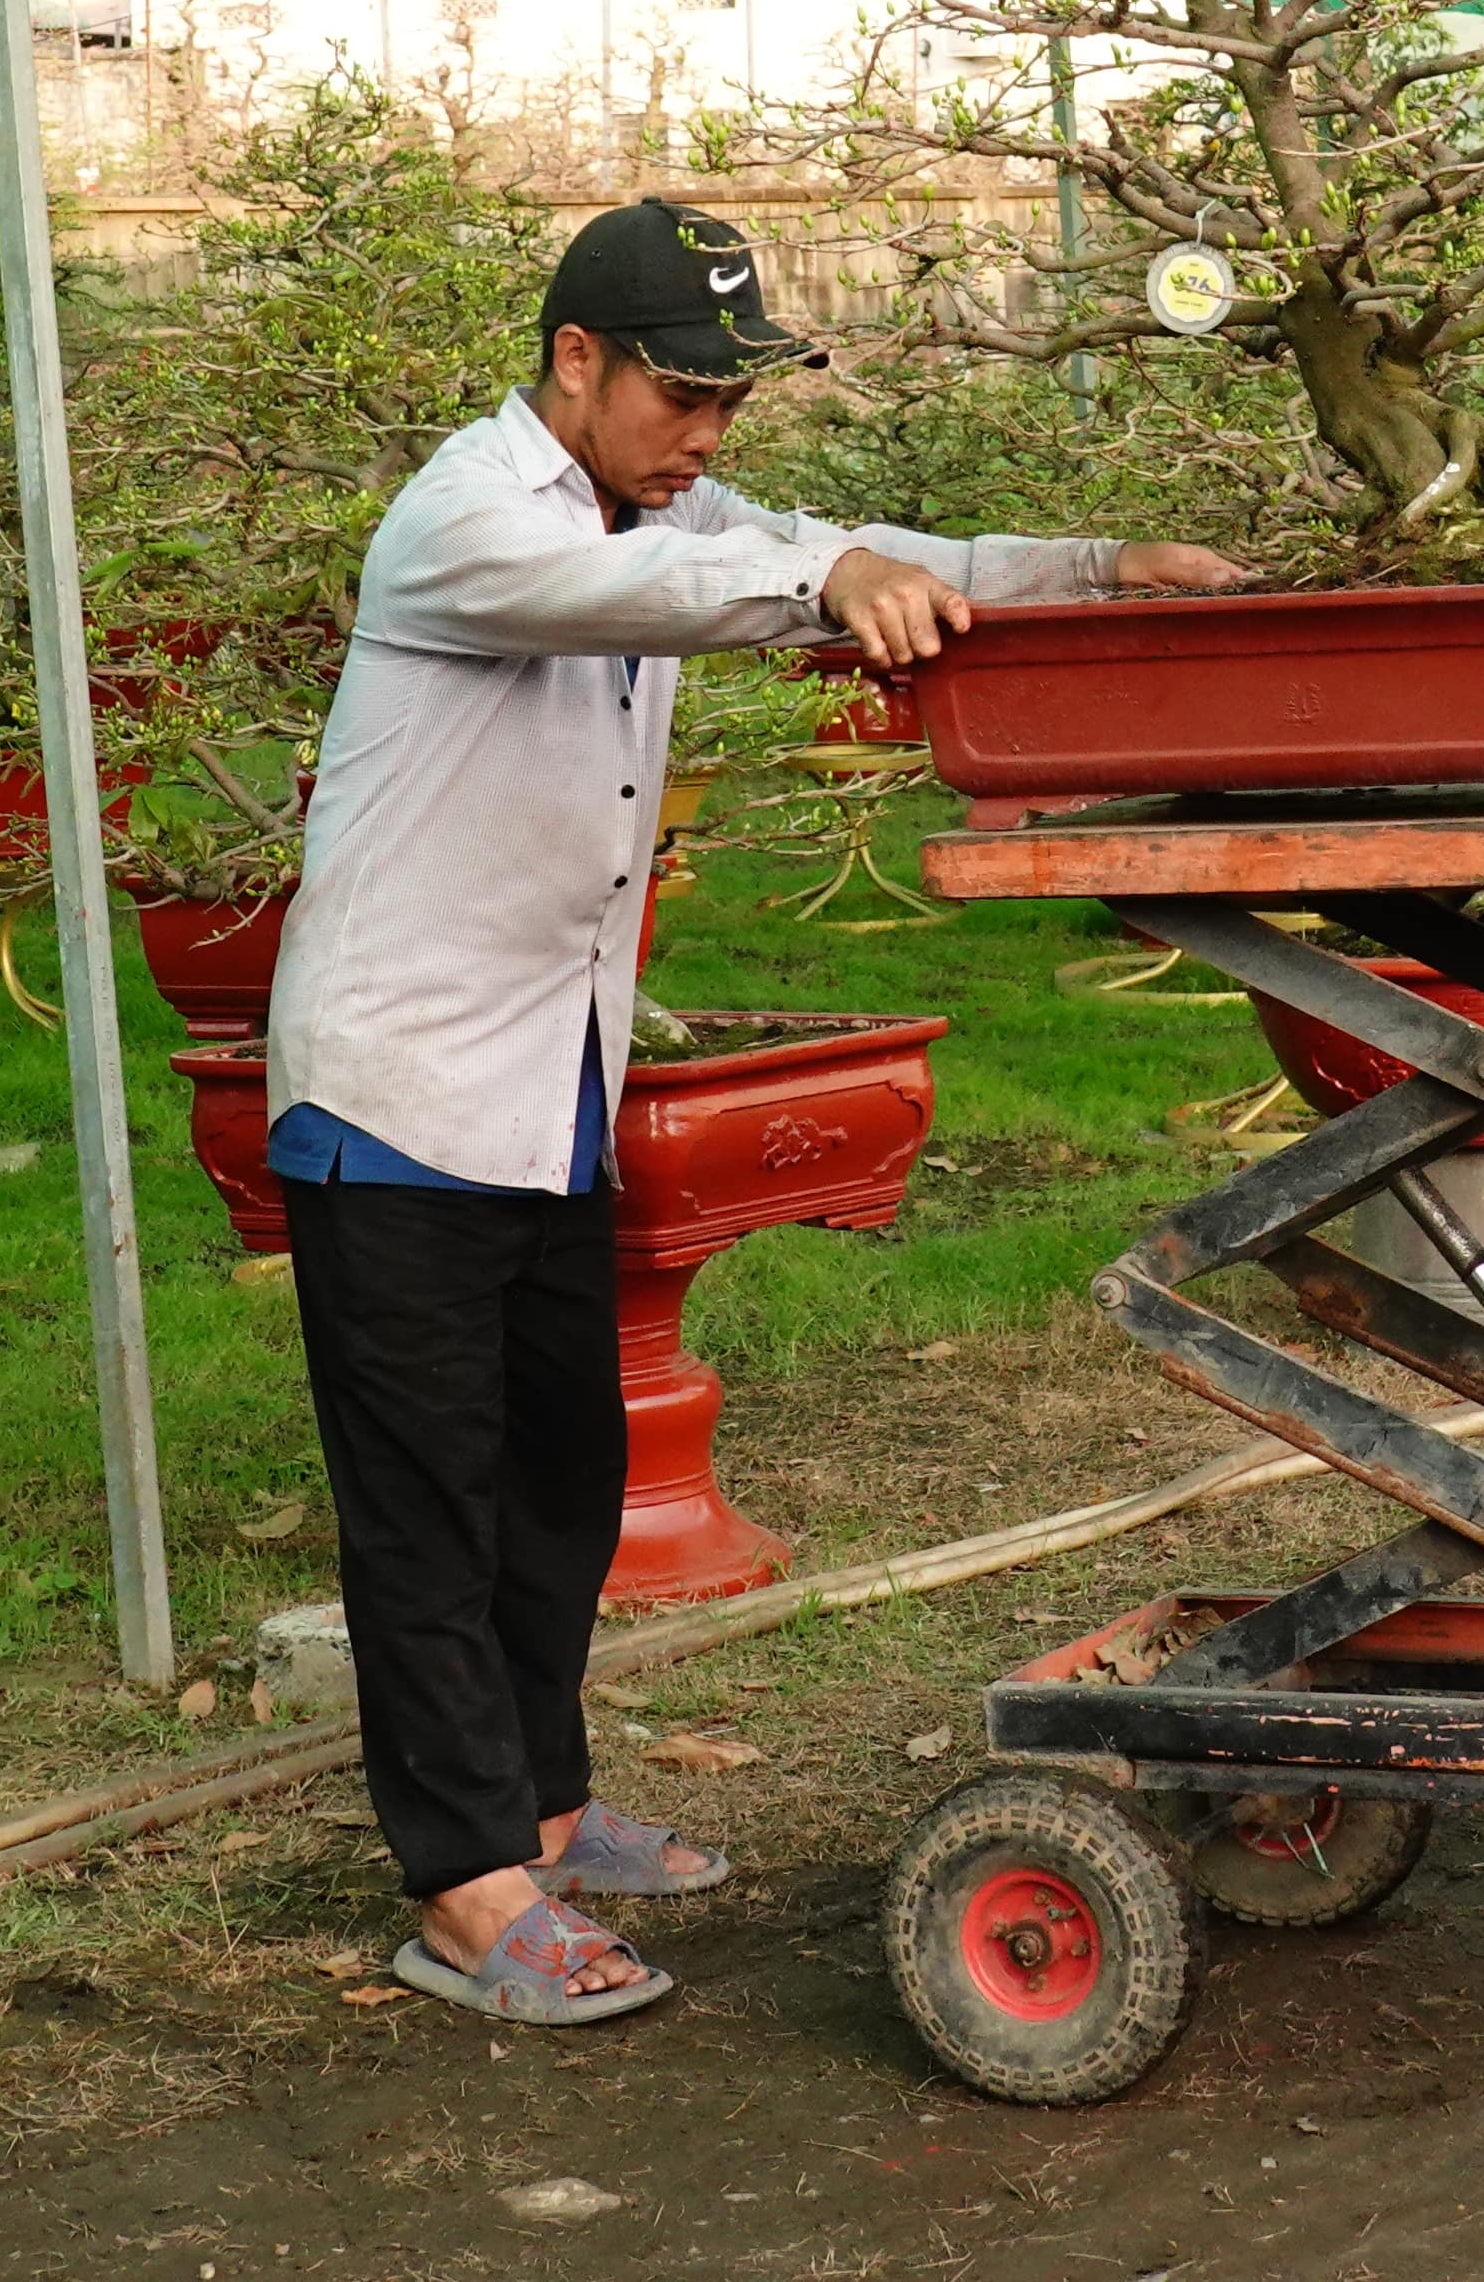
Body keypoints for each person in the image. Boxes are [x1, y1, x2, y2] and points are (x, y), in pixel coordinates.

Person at [259, 197, 1249, 2028]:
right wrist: (819, 586)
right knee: (427, 1505)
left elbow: (852, 546)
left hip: (545, 1082)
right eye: (687, 391)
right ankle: (468, 1889)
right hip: (394, 1091)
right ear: (578, 361)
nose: (714, 431)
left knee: (560, 1477)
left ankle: (545, 1806)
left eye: (734, 396)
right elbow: (673, 595)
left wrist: (1099, 568)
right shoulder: (463, 521)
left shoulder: (675, 511)